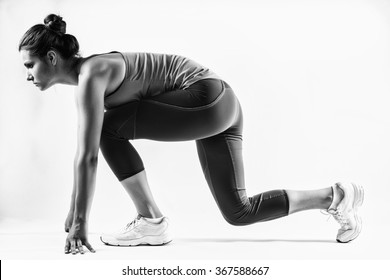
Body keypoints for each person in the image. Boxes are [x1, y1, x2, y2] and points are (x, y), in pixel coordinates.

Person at [19, 14, 364, 255]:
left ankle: (152, 220)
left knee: (109, 130)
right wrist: (72, 210)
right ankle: (334, 196)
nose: (28, 76)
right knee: (238, 212)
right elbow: (85, 152)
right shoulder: (90, 78)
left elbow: (88, 154)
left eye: (29, 66)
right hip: (221, 105)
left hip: (205, 99)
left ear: (51, 57)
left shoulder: (93, 72)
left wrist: (80, 220)